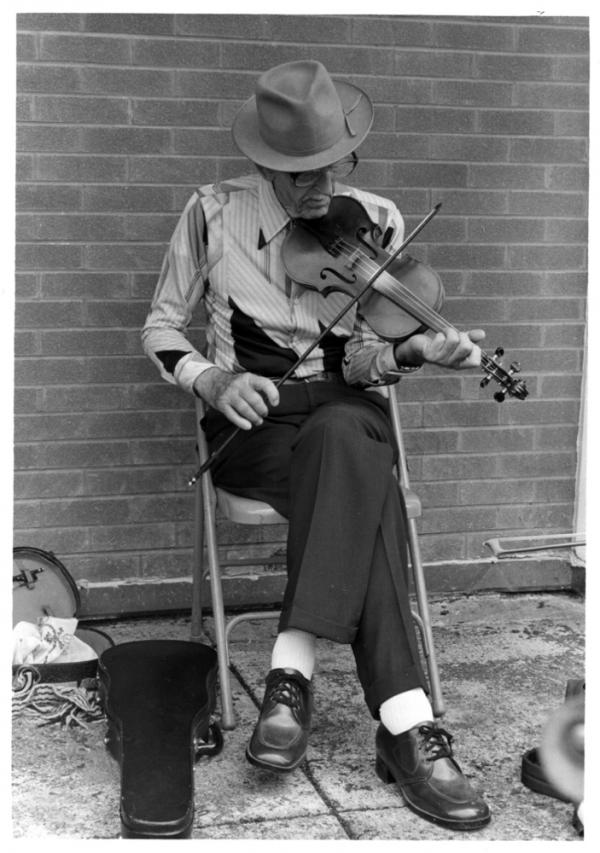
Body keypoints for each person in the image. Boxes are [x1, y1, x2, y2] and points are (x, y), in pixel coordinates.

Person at [142, 60, 491, 832]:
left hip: (346, 414)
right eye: (300, 174)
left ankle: (288, 677)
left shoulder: (380, 221)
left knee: (343, 430)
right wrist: (211, 382)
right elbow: (161, 326)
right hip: (253, 422)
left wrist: (412, 354)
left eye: (334, 164)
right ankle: (409, 729)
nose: (322, 187)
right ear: (264, 162)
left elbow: (366, 362)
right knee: (363, 495)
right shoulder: (211, 213)